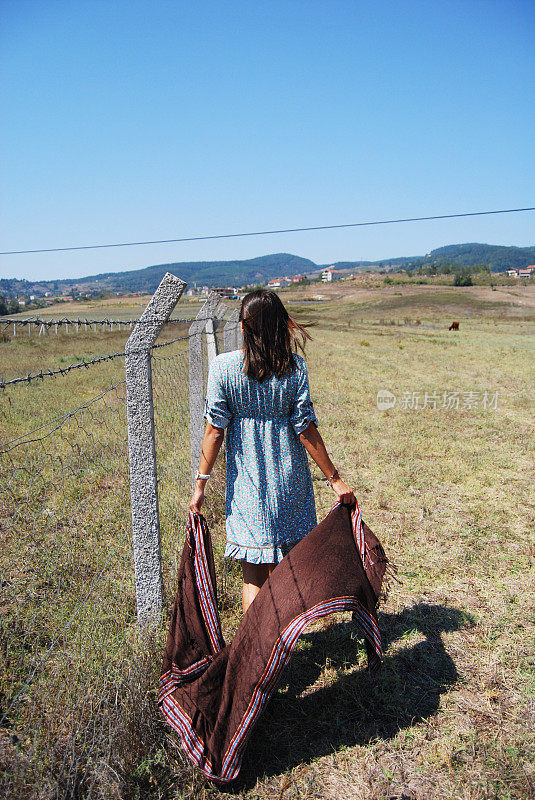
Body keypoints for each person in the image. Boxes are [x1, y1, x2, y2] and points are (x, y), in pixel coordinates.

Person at [189, 289, 356, 613]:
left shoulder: (223, 369)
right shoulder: (294, 369)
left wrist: (200, 486)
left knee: (252, 579)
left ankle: (258, 652)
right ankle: (285, 644)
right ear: (281, 326)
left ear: (242, 327)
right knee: (287, 574)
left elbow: (214, 430)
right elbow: (305, 428)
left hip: (246, 488)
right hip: (289, 485)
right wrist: (335, 480)